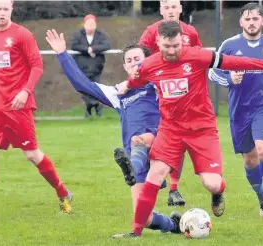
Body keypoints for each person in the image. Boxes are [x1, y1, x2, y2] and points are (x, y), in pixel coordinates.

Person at [112, 20, 263, 238]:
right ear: (158, 42)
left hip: (202, 130)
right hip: (171, 130)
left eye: (176, 45)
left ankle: (218, 193)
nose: (172, 51)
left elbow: (233, 62)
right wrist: (126, 85)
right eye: (167, 47)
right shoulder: (150, 64)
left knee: (213, 184)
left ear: (182, 41)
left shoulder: (198, 55)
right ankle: (136, 232)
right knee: (154, 175)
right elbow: (136, 79)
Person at [45, 29, 181, 235]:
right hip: (137, 155)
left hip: (160, 146)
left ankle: (132, 166)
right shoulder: (119, 92)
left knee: (140, 141)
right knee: (143, 218)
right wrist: (62, 54)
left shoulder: (158, 84)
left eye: (138, 59)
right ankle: (174, 225)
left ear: (148, 61)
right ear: (125, 66)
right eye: (129, 60)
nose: (134, 62)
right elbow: (83, 85)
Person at [0, 0, 72, 220]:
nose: (2, 13)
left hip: (18, 107)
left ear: (11, 10)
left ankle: (63, 193)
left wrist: (25, 91)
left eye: (5, 9)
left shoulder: (22, 34)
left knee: (32, 155)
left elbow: (37, 65)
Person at [208, 2, 263, 216]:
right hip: (239, 111)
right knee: (250, 159)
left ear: (262, 21)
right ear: (241, 22)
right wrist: (229, 78)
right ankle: (261, 199)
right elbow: (212, 72)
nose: (251, 22)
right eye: (247, 19)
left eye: (255, 18)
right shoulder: (229, 46)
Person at [138, 0, 203, 207]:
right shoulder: (151, 32)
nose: (171, 11)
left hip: (180, 95)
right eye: (167, 7)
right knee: (152, 136)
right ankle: (150, 170)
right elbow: (141, 58)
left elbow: (200, 58)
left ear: (181, 9)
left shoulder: (190, 32)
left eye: (174, 7)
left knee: (179, 140)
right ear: (160, 10)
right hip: (155, 92)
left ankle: (173, 188)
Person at [71, 14, 111, 117]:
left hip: (96, 66)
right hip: (82, 66)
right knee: (84, 88)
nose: (90, 26)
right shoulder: (78, 34)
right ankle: (91, 105)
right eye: (88, 23)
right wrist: (87, 49)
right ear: (84, 24)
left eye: (92, 23)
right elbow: (74, 45)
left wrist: (93, 49)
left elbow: (106, 45)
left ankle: (95, 106)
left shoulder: (100, 34)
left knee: (96, 87)